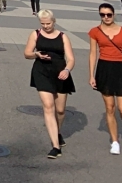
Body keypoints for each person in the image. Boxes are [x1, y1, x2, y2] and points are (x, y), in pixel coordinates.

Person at [24, 10, 75, 158]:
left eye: (48, 23)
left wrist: (66, 70)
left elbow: (71, 59)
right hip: (41, 72)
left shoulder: (63, 37)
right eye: (43, 24)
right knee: (48, 106)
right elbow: (27, 53)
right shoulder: (35, 34)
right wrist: (36, 54)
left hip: (60, 73)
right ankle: (55, 146)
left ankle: (57, 132)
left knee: (60, 111)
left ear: (54, 21)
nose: (46, 26)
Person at [89, 2, 122, 154]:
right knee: (109, 107)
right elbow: (93, 53)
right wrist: (91, 75)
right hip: (105, 69)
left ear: (114, 14)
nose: (105, 17)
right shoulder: (95, 31)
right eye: (102, 14)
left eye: (108, 14)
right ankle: (114, 141)